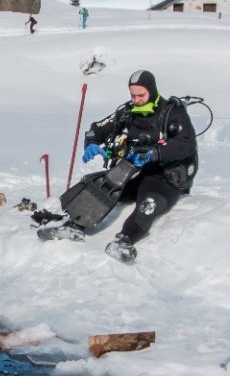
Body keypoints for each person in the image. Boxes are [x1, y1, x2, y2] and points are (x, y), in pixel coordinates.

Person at [81, 69, 198, 262]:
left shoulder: (172, 112)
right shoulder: (127, 112)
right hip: (135, 173)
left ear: (151, 91)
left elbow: (187, 143)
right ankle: (74, 225)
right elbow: (98, 129)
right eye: (133, 95)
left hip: (167, 178)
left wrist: (155, 152)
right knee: (101, 187)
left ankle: (124, 240)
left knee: (149, 203)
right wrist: (91, 143)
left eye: (141, 95)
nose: (136, 99)